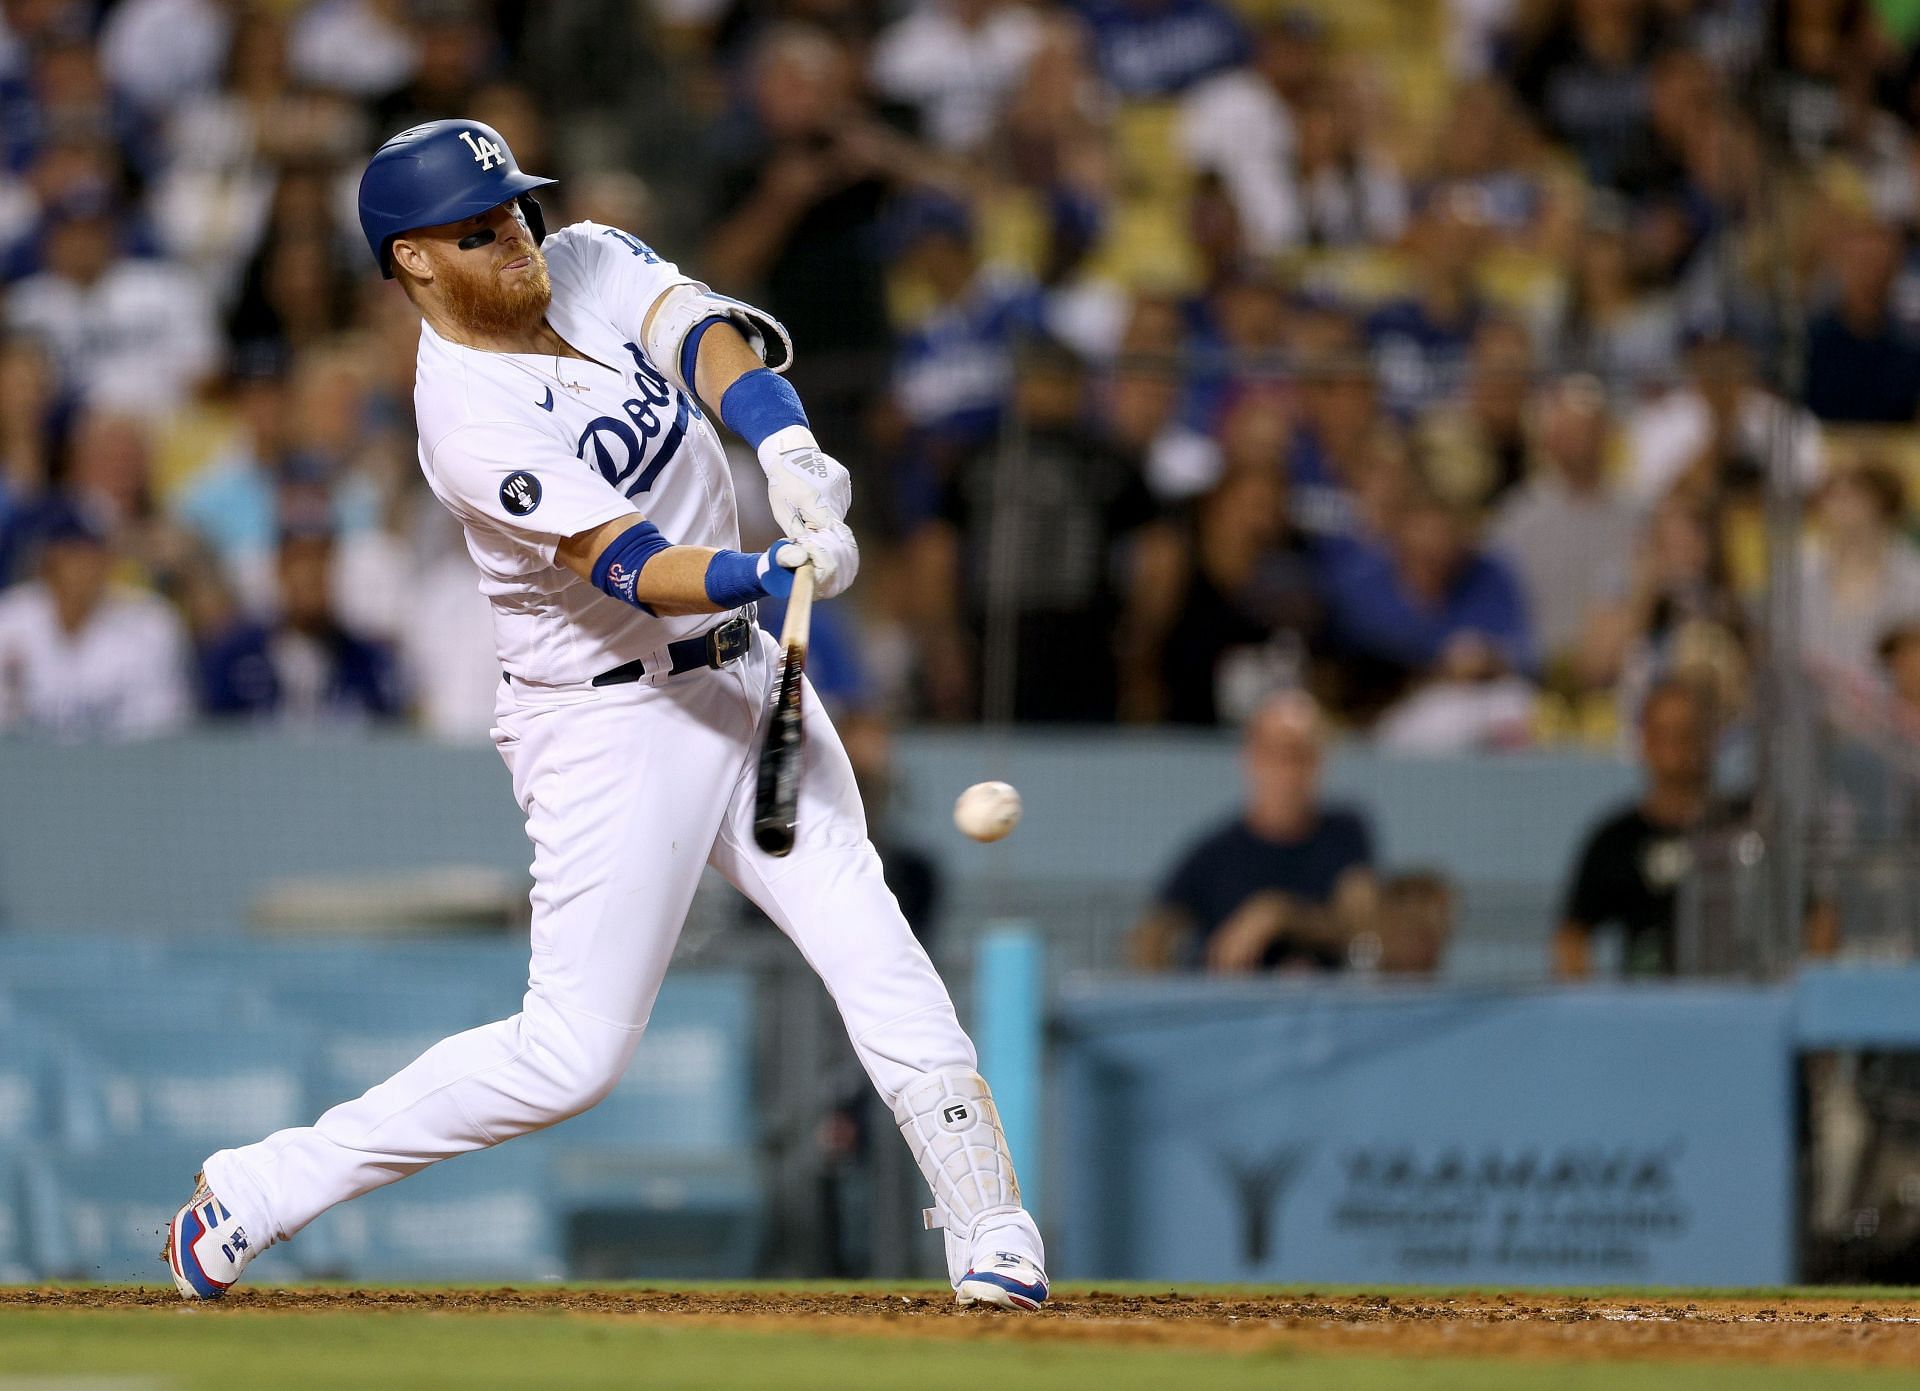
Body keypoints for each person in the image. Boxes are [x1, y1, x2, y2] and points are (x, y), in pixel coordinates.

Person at [163, 120, 1047, 1311]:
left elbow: (701, 332)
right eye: (480, 230)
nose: (517, 238)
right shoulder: (463, 413)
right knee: (569, 1056)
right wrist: (761, 574)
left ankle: (992, 1226)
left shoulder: (578, 258)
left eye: (516, 209)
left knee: (872, 944)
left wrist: (785, 444)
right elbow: (626, 562)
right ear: (414, 260)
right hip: (608, 725)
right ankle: (260, 1185)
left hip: (736, 676)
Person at [1130, 690, 1378, 972]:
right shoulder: (1215, 852)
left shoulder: (1343, 834)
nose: (1287, 770)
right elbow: (1155, 931)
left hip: (1325, 1009)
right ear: (1250, 757)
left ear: (1320, 761)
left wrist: (1280, 915)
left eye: (1299, 754)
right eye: (1274, 753)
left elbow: (1359, 922)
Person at [1555, 677, 1735, 978]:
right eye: (1664, 734)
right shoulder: (1616, 839)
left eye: (1688, 734)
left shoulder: (1742, 832)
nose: (1676, 748)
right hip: (1647, 1005)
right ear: (1645, 740)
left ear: (1711, 739)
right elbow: (1572, 936)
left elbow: (1812, 912)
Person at [0, 497, 191, 739]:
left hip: (120, 772)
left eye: (98, 552)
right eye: (75, 552)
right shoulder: (7, 622)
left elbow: (162, 732)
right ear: (49, 559)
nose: (90, 564)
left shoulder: (152, 624)